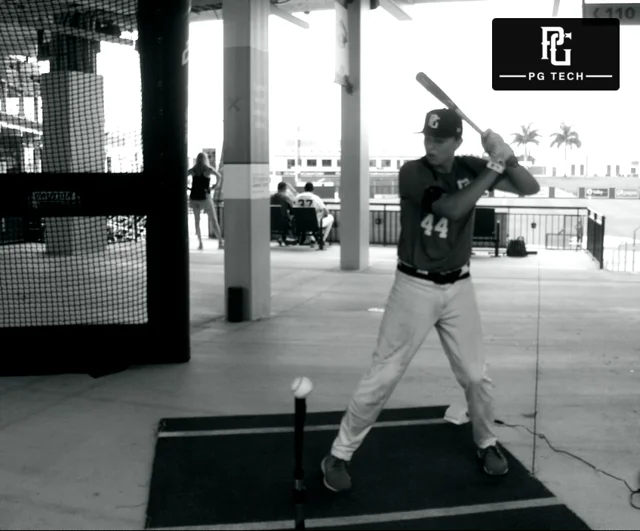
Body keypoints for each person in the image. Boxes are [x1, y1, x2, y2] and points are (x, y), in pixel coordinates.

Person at [320, 108, 541, 493]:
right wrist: (493, 163)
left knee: (476, 376)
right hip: (414, 286)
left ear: (457, 142)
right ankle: (338, 454)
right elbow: (452, 208)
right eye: (428, 138)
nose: (431, 145)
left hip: (459, 286)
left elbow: (529, 187)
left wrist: (509, 156)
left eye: (440, 140)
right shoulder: (413, 172)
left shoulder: (472, 166)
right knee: (384, 374)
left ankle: (487, 444)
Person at [187, 152, 223, 250]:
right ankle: (220, 241)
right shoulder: (208, 170)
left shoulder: (193, 170)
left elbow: (184, 176)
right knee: (214, 220)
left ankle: (200, 243)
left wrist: (188, 187)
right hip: (205, 197)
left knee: (197, 221)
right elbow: (219, 176)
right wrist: (214, 187)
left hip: (194, 198)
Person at [294, 182, 335, 246]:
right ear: (313, 189)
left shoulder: (297, 197)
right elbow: (326, 212)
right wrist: (323, 215)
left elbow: (293, 209)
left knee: (306, 218)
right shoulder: (315, 198)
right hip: (314, 223)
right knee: (331, 217)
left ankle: (311, 238)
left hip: (299, 223)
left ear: (304, 189)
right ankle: (322, 239)